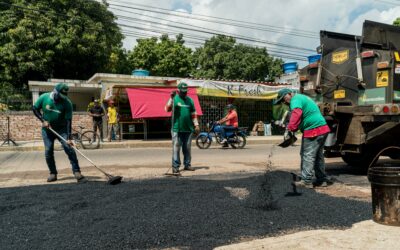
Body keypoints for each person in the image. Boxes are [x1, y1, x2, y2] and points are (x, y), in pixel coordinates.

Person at [273, 88, 332, 188]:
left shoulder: (295, 99)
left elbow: (297, 113)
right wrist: (295, 128)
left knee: (307, 154)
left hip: (314, 129)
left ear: (289, 94)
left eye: (284, 98)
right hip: (322, 128)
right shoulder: (302, 97)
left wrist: (291, 127)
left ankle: (306, 181)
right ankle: (322, 179)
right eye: (282, 101)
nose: (284, 101)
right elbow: (302, 115)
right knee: (318, 155)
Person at [32, 83, 86, 183]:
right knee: (48, 151)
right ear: (55, 92)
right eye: (60, 96)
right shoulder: (44, 97)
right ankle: (53, 173)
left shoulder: (67, 103)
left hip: (62, 130)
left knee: (69, 148)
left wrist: (69, 137)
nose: (61, 98)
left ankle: (77, 172)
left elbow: (69, 121)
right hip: (47, 130)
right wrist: (42, 120)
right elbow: (35, 108)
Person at [165, 82, 200, 175]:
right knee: (176, 148)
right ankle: (175, 166)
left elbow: (193, 113)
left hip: (188, 129)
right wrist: (171, 98)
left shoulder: (190, 100)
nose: (184, 93)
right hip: (177, 128)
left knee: (187, 148)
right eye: (183, 92)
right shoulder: (175, 99)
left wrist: (196, 124)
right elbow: (167, 109)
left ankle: (187, 164)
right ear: (178, 90)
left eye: (186, 92)